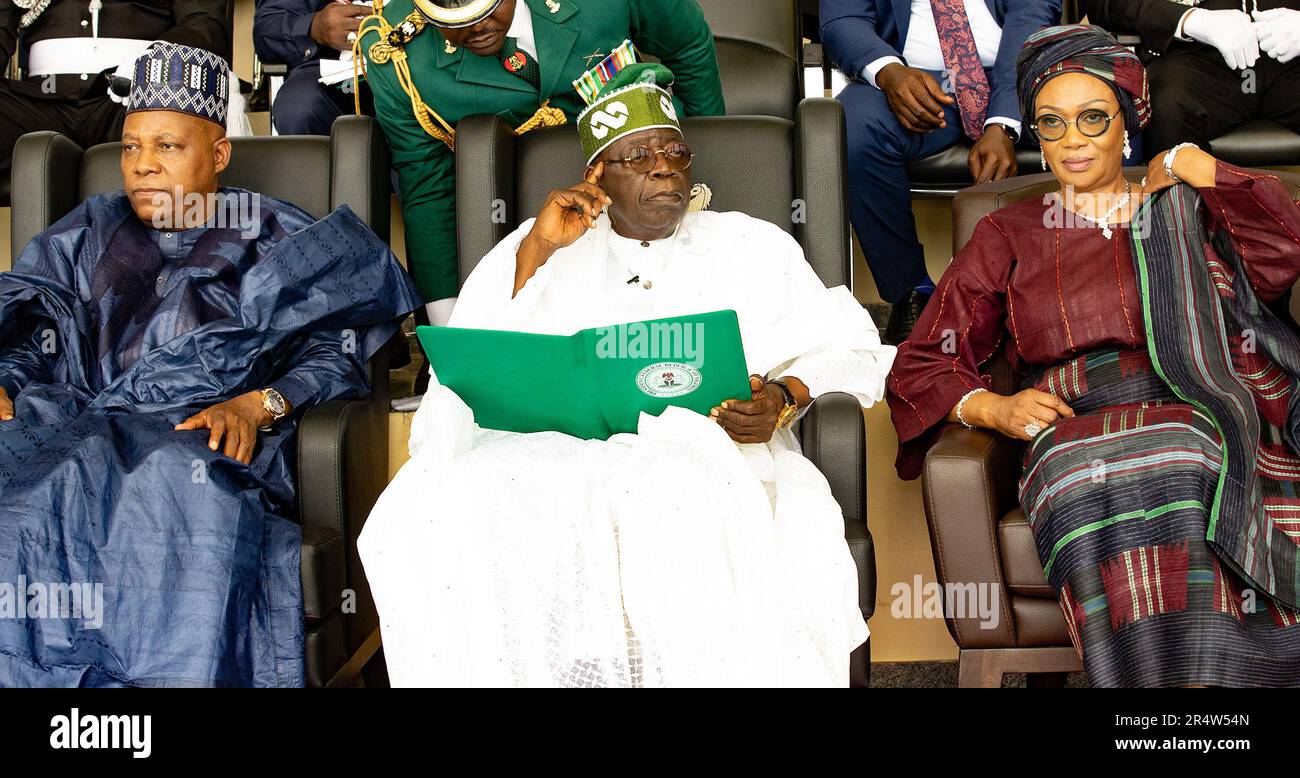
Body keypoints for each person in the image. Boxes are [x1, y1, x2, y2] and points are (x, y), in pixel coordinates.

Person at [358, 65, 895, 687]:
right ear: (598, 176)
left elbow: (852, 345)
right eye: (638, 156)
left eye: (674, 152)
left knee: (670, 494)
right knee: (460, 497)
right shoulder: (538, 246)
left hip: (707, 452)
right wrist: (538, 250)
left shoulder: (752, 244)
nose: (664, 166)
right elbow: (473, 365)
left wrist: (782, 398)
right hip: (547, 455)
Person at [887, 25, 1300, 686]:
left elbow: (1282, 251)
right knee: (1123, 463)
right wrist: (994, 406)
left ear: (1129, 121)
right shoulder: (1008, 232)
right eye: (1051, 123)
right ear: (1035, 134)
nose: (1073, 139)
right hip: (1074, 425)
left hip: (1198, 402)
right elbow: (921, 364)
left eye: (1091, 118)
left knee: (1192, 449)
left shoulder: (1182, 208)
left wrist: (1200, 167)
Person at [0, 42, 421, 687]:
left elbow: (333, 345)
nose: (142, 166)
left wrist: (259, 403)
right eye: (132, 146)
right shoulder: (87, 230)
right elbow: (32, 327)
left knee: (165, 488)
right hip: (74, 422)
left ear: (218, 154)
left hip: (197, 433)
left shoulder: (272, 231)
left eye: (167, 147)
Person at [356, 0, 724, 330]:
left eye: (488, 7)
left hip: (643, 174)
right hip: (528, 212)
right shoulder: (398, 56)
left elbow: (687, 45)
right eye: (450, 17)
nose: (475, 28)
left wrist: (697, 172)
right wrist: (451, 328)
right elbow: (428, 188)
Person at [819, 0, 1061, 344]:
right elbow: (843, 20)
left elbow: (1031, 16)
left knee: (1108, 117)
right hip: (917, 80)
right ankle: (912, 294)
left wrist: (1004, 123)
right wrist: (890, 73)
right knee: (850, 126)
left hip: (1012, 73)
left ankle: (1081, 292)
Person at [0, 1, 231, 194]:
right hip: (40, 102)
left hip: (134, 99)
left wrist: (154, 58)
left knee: (174, 124)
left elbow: (205, 23)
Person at [1083, 0, 1300, 153]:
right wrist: (1189, 20)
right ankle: (1182, 216)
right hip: (1192, 59)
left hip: (1292, 57)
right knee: (1165, 108)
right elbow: (1103, 5)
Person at [253, 0, 375, 135]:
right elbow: (266, 30)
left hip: (399, 61)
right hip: (338, 68)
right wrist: (314, 26)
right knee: (298, 107)